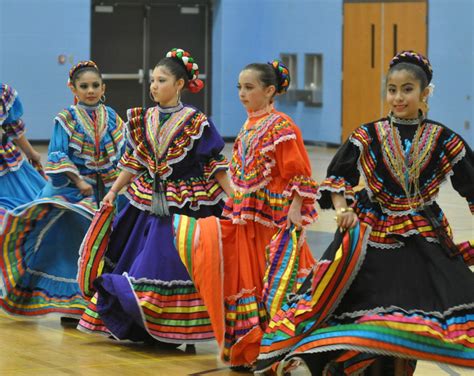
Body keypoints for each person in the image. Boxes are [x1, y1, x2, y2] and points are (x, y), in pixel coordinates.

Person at [254, 51, 474, 375]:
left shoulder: (443, 138)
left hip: (422, 235)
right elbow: (338, 180)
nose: (398, 98)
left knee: (422, 307)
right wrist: (343, 210)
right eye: (392, 89)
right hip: (372, 233)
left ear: (425, 92)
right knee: (348, 301)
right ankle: (316, 360)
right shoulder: (367, 135)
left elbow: (470, 183)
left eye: (408, 89)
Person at [167, 60, 318, 370]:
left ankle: (279, 346)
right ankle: (252, 346)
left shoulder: (282, 126)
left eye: (249, 88)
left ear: (270, 90)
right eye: (239, 87)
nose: (241, 93)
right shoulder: (249, 125)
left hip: (273, 220)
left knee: (274, 279)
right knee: (245, 274)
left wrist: (294, 210)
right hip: (246, 216)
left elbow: (298, 173)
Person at [77, 48, 231, 346]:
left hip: (184, 204)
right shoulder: (144, 118)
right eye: (152, 80)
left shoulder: (196, 121)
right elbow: (135, 160)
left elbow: (214, 165)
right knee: (136, 258)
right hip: (146, 200)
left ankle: (170, 327)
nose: (154, 86)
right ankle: (142, 324)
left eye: (161, 80)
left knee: (165, 260)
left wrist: (235, 197)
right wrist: (112, 191)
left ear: (179, 85)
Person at [0, 61, 126, 318]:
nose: (90, 90)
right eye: (84, 86)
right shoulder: (66, 119)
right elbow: (58, 153)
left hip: (105, 189)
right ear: (73, 89)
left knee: (110, 239)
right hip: (72, 190)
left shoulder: (112, 117)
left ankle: (99, 298)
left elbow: (123, 153)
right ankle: (70, 301)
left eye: (94, 86)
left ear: (103, 88)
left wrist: (121, 183)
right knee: (68, 240)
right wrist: (78, 181)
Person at [0, 83, 45, 210]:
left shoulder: (3, 93)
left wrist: (31, 153)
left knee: (24, 210)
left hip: (5, 164)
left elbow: (11, 126)